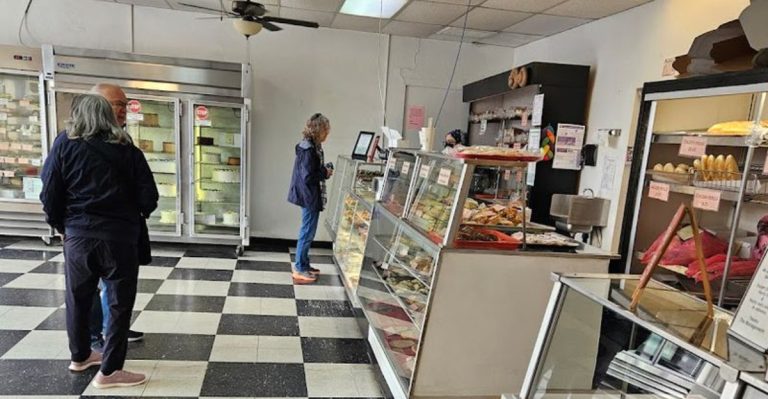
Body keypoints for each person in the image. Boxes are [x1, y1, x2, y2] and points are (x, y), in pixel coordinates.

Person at [40, 94, 159, 388]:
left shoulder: (63, 144)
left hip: (78, 236)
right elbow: (149, 197)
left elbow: (49, 192)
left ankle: (80, 356)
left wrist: (61, 226)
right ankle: (110, 370)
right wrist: (132, 212)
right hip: (119, 238)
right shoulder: (127, 149)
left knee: (77, 298)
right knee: (118, 303)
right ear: (108, 116)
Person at [88, 83, 144, 349]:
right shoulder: (73, 141)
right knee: (89, 286)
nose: (123, 110)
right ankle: (93, 340)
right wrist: (60, 224)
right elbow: (53, 187)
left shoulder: (123, 141)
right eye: (117, 104)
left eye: (125, 104)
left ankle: (113, 330)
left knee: (114, 286)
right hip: (86, 228)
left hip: (117, 230)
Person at [287, 113, 333, 284]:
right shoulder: (309, 149)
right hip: (309, 196)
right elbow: (308, 176)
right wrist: (325, 172)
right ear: (319, 130)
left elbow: (309, 171)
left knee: (309, 231)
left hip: (308, 195)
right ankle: (299, 268)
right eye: (326, 130)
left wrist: (322, 170)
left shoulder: (311, 145)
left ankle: (304, 264)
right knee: (307, 232)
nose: (327, 133)